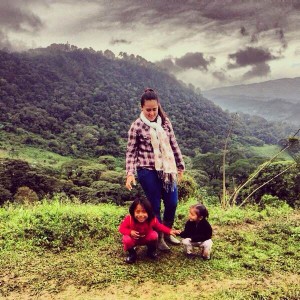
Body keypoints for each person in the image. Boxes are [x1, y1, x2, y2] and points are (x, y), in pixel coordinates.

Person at [125, 88, 185, 251]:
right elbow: (131, 151)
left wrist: (180, 166)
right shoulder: (136, 126)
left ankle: (167, 232)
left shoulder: (165, 123)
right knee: (155, 206)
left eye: (154, 109)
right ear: (141, 108)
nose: (151, 113)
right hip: (147, 171)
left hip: (168, 170)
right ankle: (158, 238)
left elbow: (173, 144)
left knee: (172, 202)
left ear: (158, 107)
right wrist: (130, 173)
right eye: (148, 110)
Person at [119, 197, 180, 264]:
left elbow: (159, 226)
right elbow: (121, 229)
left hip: (146, 238)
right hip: (134, 239)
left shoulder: (152, 219)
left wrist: (169, 231)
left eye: (144, 211)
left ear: (149, 212)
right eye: (137, 212)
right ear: (133, 212)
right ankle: (132, 254)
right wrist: (130, 232)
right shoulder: (129, 219)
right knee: (126, 239)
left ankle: (151, 251)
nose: (141, 215)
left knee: (154, 235)